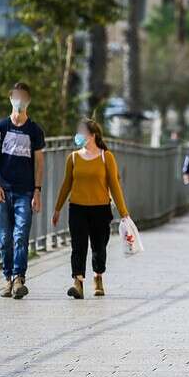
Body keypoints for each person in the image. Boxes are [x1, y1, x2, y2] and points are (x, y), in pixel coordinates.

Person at [52, 118, 130, 299]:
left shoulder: (106, 157)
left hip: (100, 209)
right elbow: (66, 184)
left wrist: (124, 212)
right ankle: (78, 283)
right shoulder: (73, 157)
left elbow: (114, 186)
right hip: (77, 208)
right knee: (78, 246)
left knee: (99, 247)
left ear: (93, 135)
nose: (79, 136)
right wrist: (57, 209)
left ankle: (98, 277)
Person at [0, 82, 45, 299]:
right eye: (16, 95)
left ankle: (19, 278)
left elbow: (39, 163)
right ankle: (7, 279)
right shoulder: (1, 127)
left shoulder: (34, 130)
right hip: (2, 191)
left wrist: (37, 191)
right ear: (11, 98)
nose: (19, 99)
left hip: (24, 192)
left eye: (23, 96)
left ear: (28, 100)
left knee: (20, 235)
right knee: (4, 238)